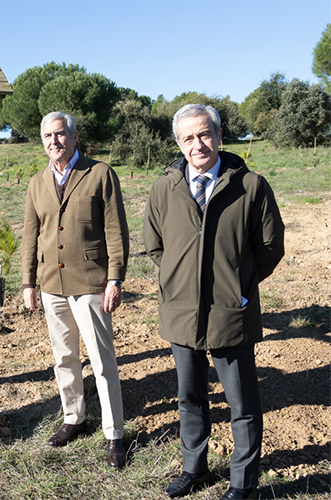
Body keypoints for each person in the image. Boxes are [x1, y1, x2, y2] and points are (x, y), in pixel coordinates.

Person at [144, 104, 285, 500]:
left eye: (205, 134)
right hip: (180, 314)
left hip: (230, 312)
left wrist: (237, 286)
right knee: (190, 398)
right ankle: (195, 469)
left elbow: (270, 247)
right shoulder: (163, 188)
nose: (198, 144)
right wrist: (178, 283)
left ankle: (244, 484)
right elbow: (156, 247)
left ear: (220, 136)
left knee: (241, 403)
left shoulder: (251, 186)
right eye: (188, 138)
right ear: (178, 143)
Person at [21, 111, 129, 468]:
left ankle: (115, 434)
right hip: (52, 284)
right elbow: (30, 236)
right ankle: (74, 418)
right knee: (64, 358)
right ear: (42, 142)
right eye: (48, 137)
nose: (55, 141)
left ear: (74, 135)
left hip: (91, 283)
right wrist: (28, 282)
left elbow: (116, 230)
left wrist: (114, 279)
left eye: (60, 134)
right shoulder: (37, 183)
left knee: (101, 361)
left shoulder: (100, 174)